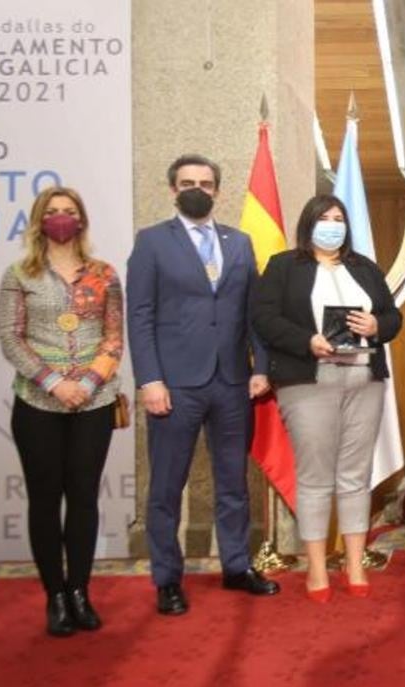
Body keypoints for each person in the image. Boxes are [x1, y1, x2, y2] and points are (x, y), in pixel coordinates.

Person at [127, 154, 279, 615]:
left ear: (217, 190)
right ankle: (167, 579)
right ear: (173, 190)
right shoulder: (152, 242)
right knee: (167, 487)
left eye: (207, 182)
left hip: (232, 382)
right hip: (174, 385)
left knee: (233, 482)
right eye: (188, 182)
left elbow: (254, 311)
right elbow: (141, 316)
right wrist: (150, 379)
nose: (198, 188)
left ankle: (236, 566)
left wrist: (261, 366)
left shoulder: (239, 242)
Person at [252, 195, 401, 602]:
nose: (332, 225)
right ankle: (317, 568)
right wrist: (307, 340)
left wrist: (376, 324)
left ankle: (354, 564)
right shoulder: (285, 266)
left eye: (339, 218)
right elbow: (264, 318)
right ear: (309, 224)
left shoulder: (365, 268)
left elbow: (393, 317)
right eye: (324, 218)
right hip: (308, 380)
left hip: (364, 380)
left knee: (355, 474)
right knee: (315, 476)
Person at [0, 187, 123, 637]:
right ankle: (54, 594)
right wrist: (55, 383)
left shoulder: (104, 274)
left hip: (95, 401)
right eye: (52, 213)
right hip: (37, 403)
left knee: (84, 497)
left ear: (82, 221)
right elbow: (12, 338)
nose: (61, 219)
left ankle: (79, 592)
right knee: (46, 499)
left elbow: (113, 339)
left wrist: (86, 384)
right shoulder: (20, 274)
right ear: (38, 221)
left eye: (70, 212)